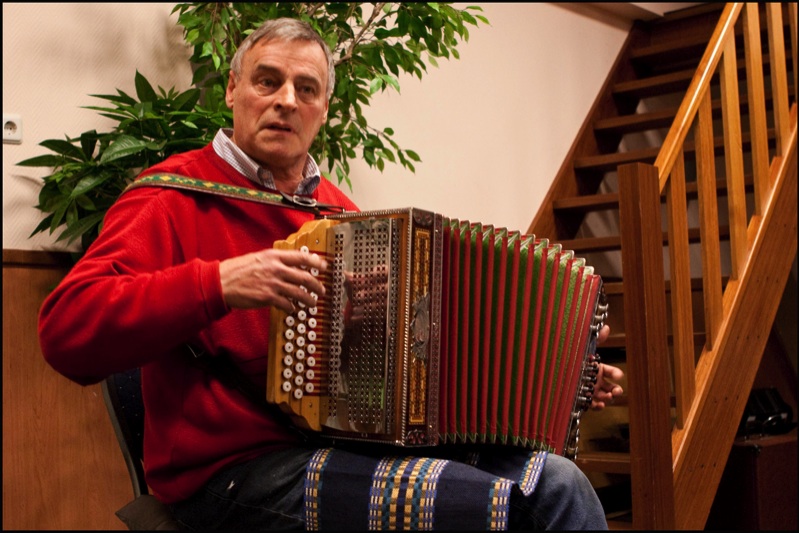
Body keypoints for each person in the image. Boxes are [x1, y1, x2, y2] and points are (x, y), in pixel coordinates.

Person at [38, 17, 624, 530]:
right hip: (232, 474)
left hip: (342, 448)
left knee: (556, 483)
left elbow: (405, 366)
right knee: (502, 507)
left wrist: (560, 376)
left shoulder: (341, 216)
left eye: (306, 88)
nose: (285, 100)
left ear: (323, 109)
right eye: (267, 81)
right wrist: (217, 284)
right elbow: (65, 331)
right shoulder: (171, 197)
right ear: (233, 90)